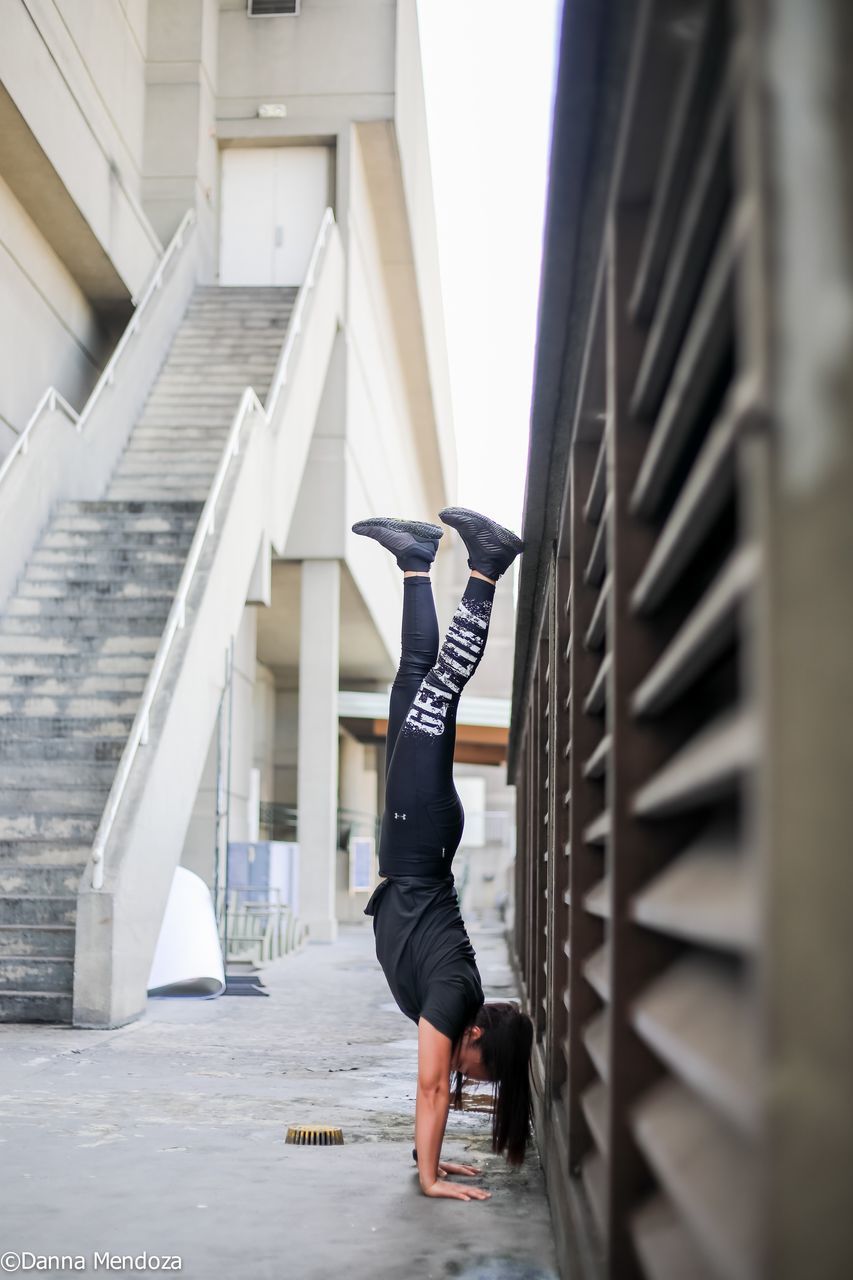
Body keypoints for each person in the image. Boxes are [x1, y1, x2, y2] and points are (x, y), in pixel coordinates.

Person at [355, 507, 535, 1203]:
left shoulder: (452, 999)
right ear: (478, 1038)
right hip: (418, 835)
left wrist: (430, 1157)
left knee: (413, 681)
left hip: (416, 840)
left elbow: (435, 1089)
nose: (466, 1076)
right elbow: (431, 1086)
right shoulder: (451, 999)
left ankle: (415, 560)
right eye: (480, 1070)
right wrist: (430, 1179)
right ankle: (486, 566)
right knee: (437, 690)